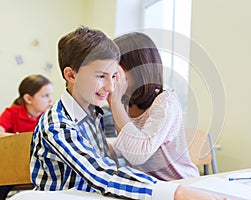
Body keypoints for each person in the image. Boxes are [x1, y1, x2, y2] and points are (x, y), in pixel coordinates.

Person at [30, 26, 225, 200]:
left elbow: (110, 160)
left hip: (173, 183)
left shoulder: (93, 113)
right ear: (71, 75)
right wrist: (176, 193)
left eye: (115, 76)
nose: (110, 86)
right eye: (101, 76)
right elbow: (101, 173)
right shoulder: (59, 125)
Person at [109, 32, 199, 181]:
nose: (112, 76)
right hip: (150, 186)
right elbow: (124, 144)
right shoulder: (126, 103)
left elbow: (138, 154)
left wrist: (115, 103)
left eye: (116, 70)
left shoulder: (165, 102)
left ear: (138, 69)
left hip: (180, 183)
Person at [0, 74, 53, 200]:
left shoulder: (48, 117)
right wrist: (20, 140)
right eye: (45, 96)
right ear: (28, 98)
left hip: (38, 167)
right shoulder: (12, 113)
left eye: (50, 95)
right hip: (13, 168)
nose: (51, 100)